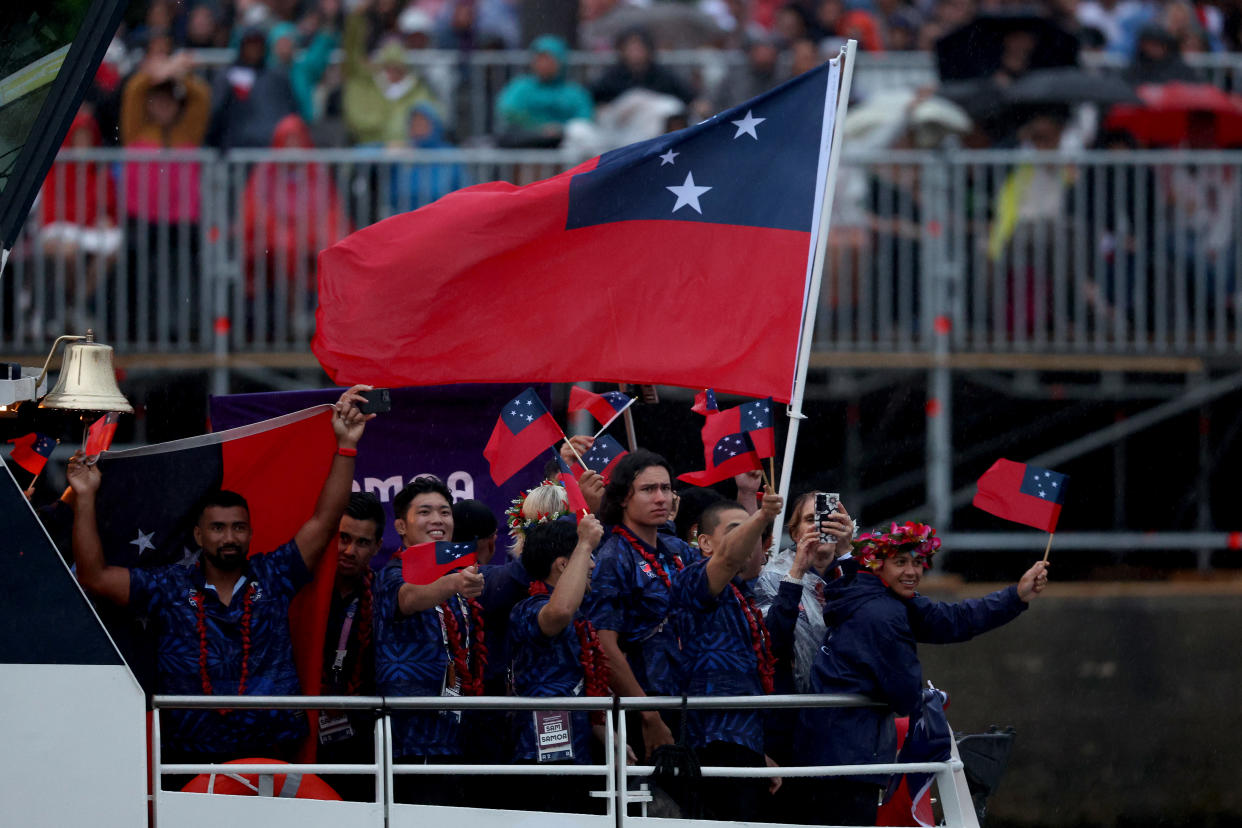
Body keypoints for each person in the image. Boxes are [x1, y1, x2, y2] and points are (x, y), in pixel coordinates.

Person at [66, 386, 372, 767]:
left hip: (271, 753)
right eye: (218, 528)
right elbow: (93, 576)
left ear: (250, 532)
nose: (229, 537)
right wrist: (85, 496)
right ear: (198, 535)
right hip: (188, 757)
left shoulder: (275, 575)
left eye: (238, 528)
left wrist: (346, 445)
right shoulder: (169, 586)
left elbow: (325, 522)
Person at [794, 522, 1050, 826]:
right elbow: (904, 694)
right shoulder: (884, 614)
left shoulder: (869, 594)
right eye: (900, 562)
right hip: (848, 757)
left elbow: (952, 619)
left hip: (830, 752)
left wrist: (1015, 596)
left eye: (917, 562)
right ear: (878, 566)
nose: (911, 572)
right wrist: (928, 699)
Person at [373, 475, 485, 805]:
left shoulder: (458, 576)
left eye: (444, 511)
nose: (437, 519)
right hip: (410, 741)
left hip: (457, 737)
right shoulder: (393, 573)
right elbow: (408, 598)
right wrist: (453, 583)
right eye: (424, 512)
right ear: (401, 526)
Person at [672, 495, 785, 820]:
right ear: (704, 542)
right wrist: (761, 515)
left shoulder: (742, 593)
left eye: (755, 532)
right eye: (737, 529)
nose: (750, 537)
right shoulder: (693, 579)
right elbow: (728, 557)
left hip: (744, 742)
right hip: (711, 742)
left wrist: (757, 752)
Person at [586, 449, 696, 760]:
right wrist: (648, 715)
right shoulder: (611, 558)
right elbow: (604, 646)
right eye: (648, 490)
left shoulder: (679, 550)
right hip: (644, 705)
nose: (661, 498)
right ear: (623, 498)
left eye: (666, 488)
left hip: (689, 698)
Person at [506, 515, 608, 813]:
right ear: (564, 565)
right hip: (539, 756)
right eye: (588, 558)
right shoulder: (529, 608)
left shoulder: (580, 615)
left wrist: (608, 736)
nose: (591, 565)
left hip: (578, 753)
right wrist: (586, 541)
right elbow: (558, 612)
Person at [318, 492, 384, 801]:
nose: (348, 550)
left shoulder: (384, 597)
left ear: (377, 547)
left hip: (364, 746)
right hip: (304, 739)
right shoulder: (303, 593)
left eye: (361, 542)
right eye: (343, 537)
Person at [206, 26, 299, 150]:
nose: (254, 49)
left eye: (258, 44)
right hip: (236, 150)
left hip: (272, 151)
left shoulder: (277, 77)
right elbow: (217, 115)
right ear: (242, 46)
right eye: (250, 44)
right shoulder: (227, 76)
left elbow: (290, 112)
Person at [494, 34, 593, 147]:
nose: (543, 65)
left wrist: (559, 128)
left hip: (562, 145)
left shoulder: (574, 92)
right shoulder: (521, 87)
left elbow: (585, 119)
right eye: (539, 59)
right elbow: (508, 112)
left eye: (549, 60)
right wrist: (539, 128)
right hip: (527, 142)